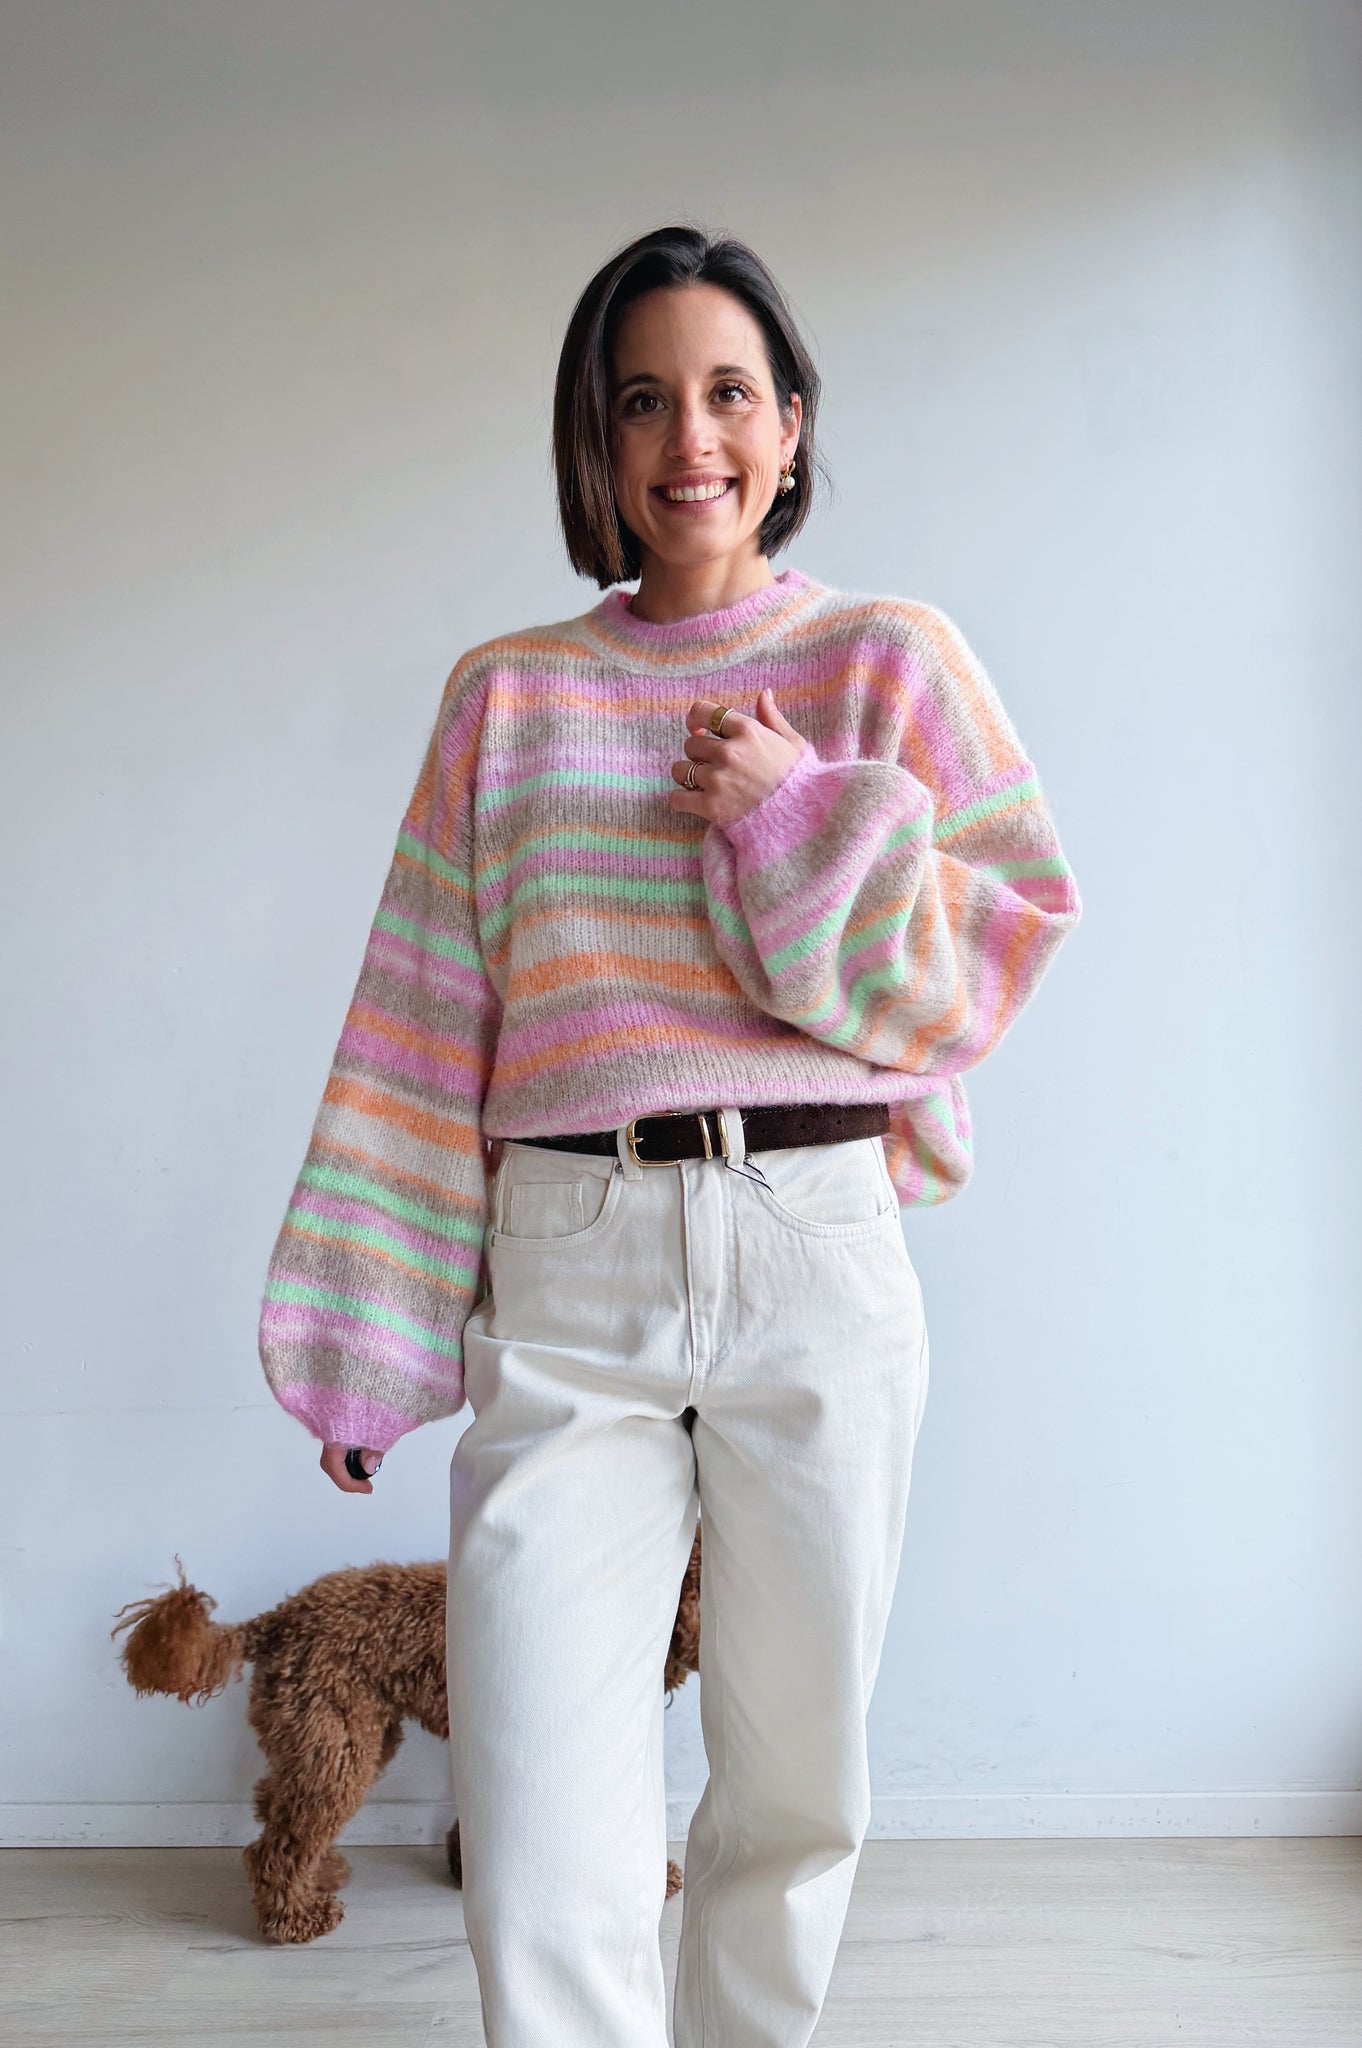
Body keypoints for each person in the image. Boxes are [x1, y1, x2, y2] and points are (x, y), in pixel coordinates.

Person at [257, 221, 1082, 2046]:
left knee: (792, 1794)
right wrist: (368, 1334)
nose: (687, 438)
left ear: (789, 426)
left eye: (726, 392)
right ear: (595, 440)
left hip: (814, 1243)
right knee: (545, 1827)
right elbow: (421, 1021)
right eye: (642, 401)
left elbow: (988, 963)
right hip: (572, 1266)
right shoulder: (507, 696)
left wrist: (800, 816)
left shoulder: (885, 660)